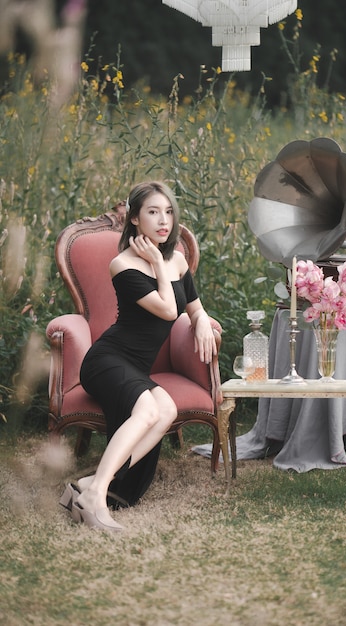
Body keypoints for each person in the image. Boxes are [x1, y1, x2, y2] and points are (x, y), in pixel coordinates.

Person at [59, 181, 217, 532]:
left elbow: (193, 307)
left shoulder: (177, 259)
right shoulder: (123, 264)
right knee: (148, 410)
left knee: (168, 410)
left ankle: (88, 484)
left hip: (133, 366)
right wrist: (159, 266)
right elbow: (166, 309)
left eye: (168, 211)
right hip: (106, 361)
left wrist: (203, 321)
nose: (163, 220)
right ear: (134, 219)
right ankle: (96, 495)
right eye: (152, 212)